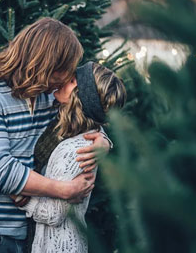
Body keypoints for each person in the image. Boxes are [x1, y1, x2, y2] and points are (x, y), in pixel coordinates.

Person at [0, 18, 111, 253]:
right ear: (45, 63)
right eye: (66, 68)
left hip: (31, 230)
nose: (68, 77)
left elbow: (83, 115)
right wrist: (64, 190)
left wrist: (104, 141)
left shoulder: (48, 95)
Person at [20, 61, 126, 253]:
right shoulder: (69, 130)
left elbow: (53, 214)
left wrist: (13, 193)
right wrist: (105, 140)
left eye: (70, 81)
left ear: (79, 98)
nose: (62, 81)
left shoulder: (76, 151)